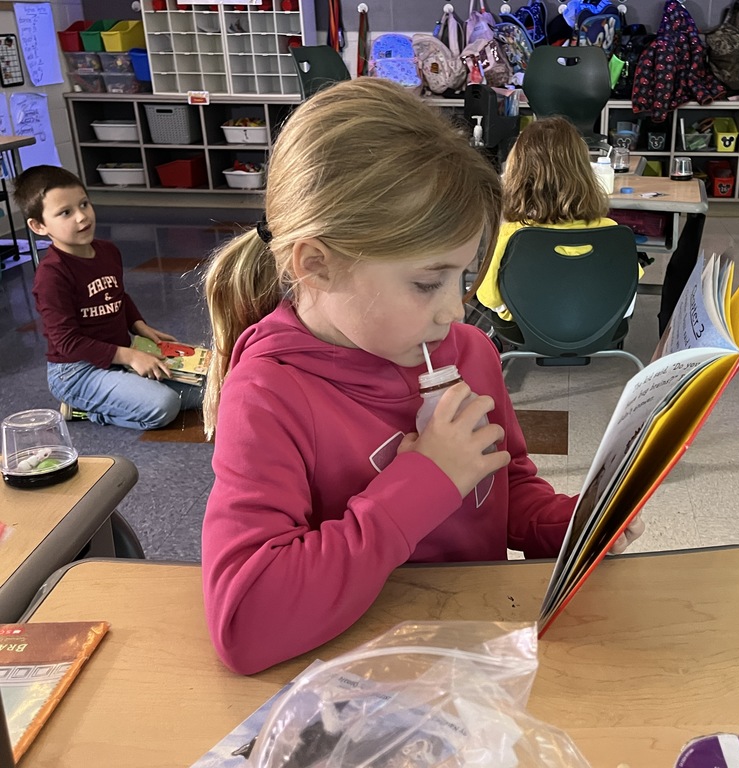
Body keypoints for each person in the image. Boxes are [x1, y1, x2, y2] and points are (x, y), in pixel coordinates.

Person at [200, 80, 644, 675]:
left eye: (462, 277)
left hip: (473, 663)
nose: (455, 310)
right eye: (427, 283)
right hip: (359, 681)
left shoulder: (471, 353)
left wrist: (579, 524)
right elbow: (247, 625)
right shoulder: (267, 395)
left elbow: (505, 490)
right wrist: (428, 479)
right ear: (316, 265)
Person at [13, 165, 202, 429]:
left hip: (119, 357)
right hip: (77, 372)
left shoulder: (108, 251)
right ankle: (83, 410)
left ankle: (122, 392)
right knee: (164, 406)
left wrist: (139, 325)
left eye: (84, 204)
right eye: (66, 212)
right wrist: (131, 357)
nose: (82, 217)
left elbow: (118, 295)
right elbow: (67, 342)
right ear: (39, 225)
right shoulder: (52, 275)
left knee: (206, 389)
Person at [475, 116, 640, 324]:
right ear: (585, 172)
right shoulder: (612, 233)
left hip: (526, 331)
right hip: (599, 331)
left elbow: (489, 298)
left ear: (516, 175)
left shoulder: (512, 235)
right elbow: (627, 304)